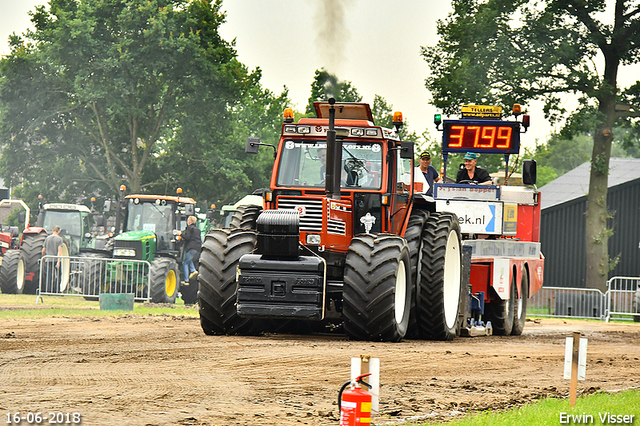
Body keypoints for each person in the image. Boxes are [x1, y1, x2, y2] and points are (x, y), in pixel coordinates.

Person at [179, 215, 201, 284]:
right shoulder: (197, 229)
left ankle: (186, 280)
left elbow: (188, 237)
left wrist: (181, 234)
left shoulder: (189, 228)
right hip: (197, 249)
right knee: (189, 260)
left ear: (188, 222)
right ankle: (193, 270)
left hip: (191, 248)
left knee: (185, 262)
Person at [41, 225, 64, 291]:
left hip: (48, 259)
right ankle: (57, 290)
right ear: (58, 231)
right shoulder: (59, 239)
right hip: (56, 259)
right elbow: (59, 251)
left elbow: (43, 250)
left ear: (52, 231)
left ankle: (48, 289)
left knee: (49, 275)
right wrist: (58, 261)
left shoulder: (47, 238)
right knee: (59, 275)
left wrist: (43, 257)